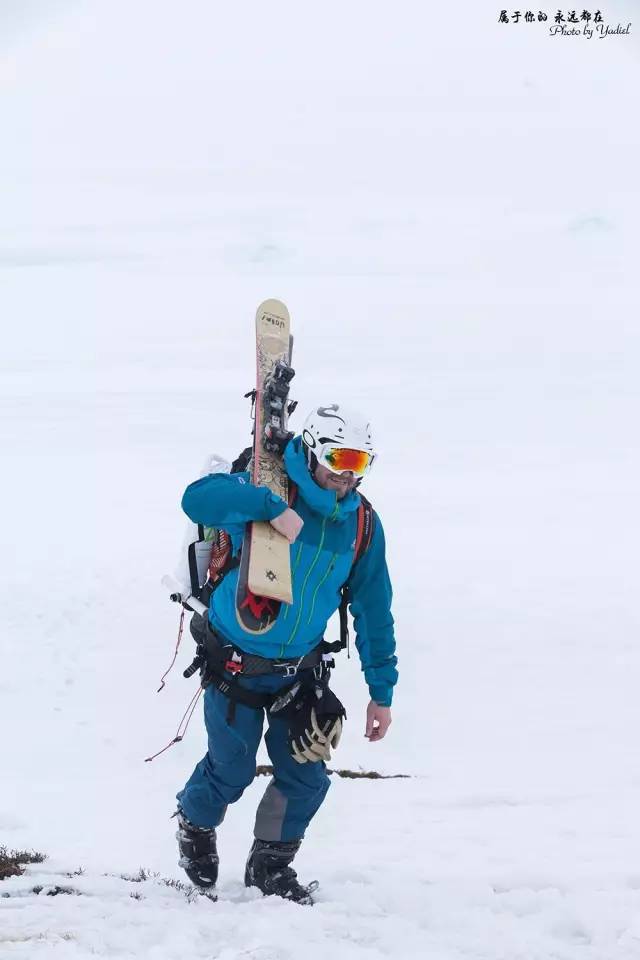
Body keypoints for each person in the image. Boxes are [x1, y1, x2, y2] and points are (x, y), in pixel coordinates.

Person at [175, 403, 398, 903]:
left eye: (359, 463)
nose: (346, 473)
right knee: (229, 771)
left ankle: (270, 866)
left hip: (299, 672)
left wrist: (381, 691)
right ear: (315, 450)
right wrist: (267, 508)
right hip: (233, 662)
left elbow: (374, 607)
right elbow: (197, 501)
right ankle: (194, 824)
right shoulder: (266, 483)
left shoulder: (361, 525)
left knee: (307, 778)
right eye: (339, 457)